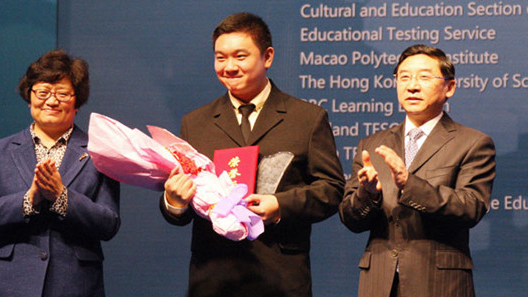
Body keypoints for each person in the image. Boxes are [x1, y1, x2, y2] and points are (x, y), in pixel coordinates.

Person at [159, 12, 345, 297]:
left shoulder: (307, 118)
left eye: (240, 56)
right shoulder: (195, 123)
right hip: (213, 274)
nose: (229, 66)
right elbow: (180, 212)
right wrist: (174, 201)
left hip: (280, 274)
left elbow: (331, 190)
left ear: (267, 56)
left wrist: (279, 205)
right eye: (220, 58)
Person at [339, 44, 496, 297]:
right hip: (378, 282)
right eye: (404, 77)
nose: (412, 86)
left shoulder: (473, 143)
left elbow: (471, 207)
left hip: (439, 283)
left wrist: (409, 183)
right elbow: (350, 219)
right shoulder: (371, 145)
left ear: (450, 87)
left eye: (424, 77)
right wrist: (368, 195)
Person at [0, 50, 121, 297]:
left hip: (76, 284)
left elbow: (108, 223)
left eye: (62, 94)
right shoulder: (0, 151)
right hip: (12, 283)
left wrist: (62, 198)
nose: (51, 101)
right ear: (29, 96)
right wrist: (28, 201)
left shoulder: (100, 153)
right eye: (43, 92)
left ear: (77, 101)